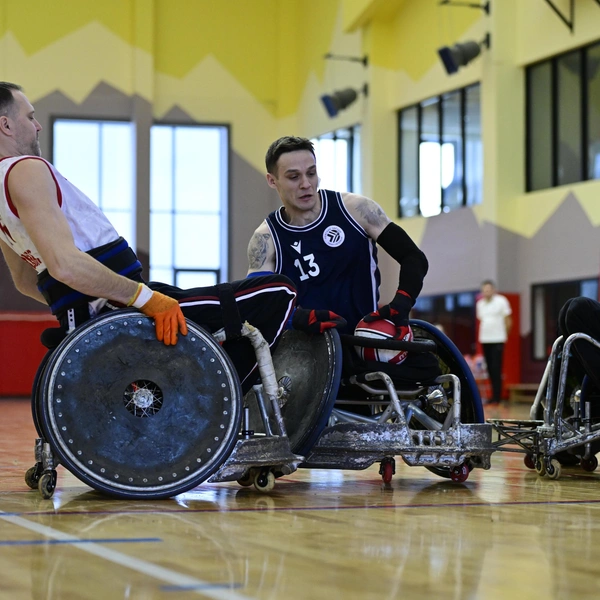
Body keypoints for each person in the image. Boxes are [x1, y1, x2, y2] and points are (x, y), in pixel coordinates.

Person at [0, 82, 298, 393]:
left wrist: (74, 310)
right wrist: (144, 300)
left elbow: (26, 279)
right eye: (30, 117)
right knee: (279, 291)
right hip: (122, 308)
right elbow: (65, 266)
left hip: (104, 310)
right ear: (6, 125)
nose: (37, 126)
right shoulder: (25, 169)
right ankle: (224, 403)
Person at [246, 136, 429, 368]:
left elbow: (414, 258)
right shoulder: (265, 239)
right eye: (294, 177)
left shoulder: (355, 209)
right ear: (272, 181)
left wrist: (402, 303)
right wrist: (298, 319)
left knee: (427, 366)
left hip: (367, 341)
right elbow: (259, 306)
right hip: (308, 358)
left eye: (311, 173)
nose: (306, 184)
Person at [476, 280, 512, 404]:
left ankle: (498, 396)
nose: (487, 292)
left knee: (497, 368)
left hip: (498, 339)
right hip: (485, 339)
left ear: (493, 290)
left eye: (489, 289)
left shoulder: (501, 301)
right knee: (490, 369)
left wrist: (504, 335)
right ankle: (492, 396)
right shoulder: (480, 304)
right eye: (484, 290)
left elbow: (508, 319)